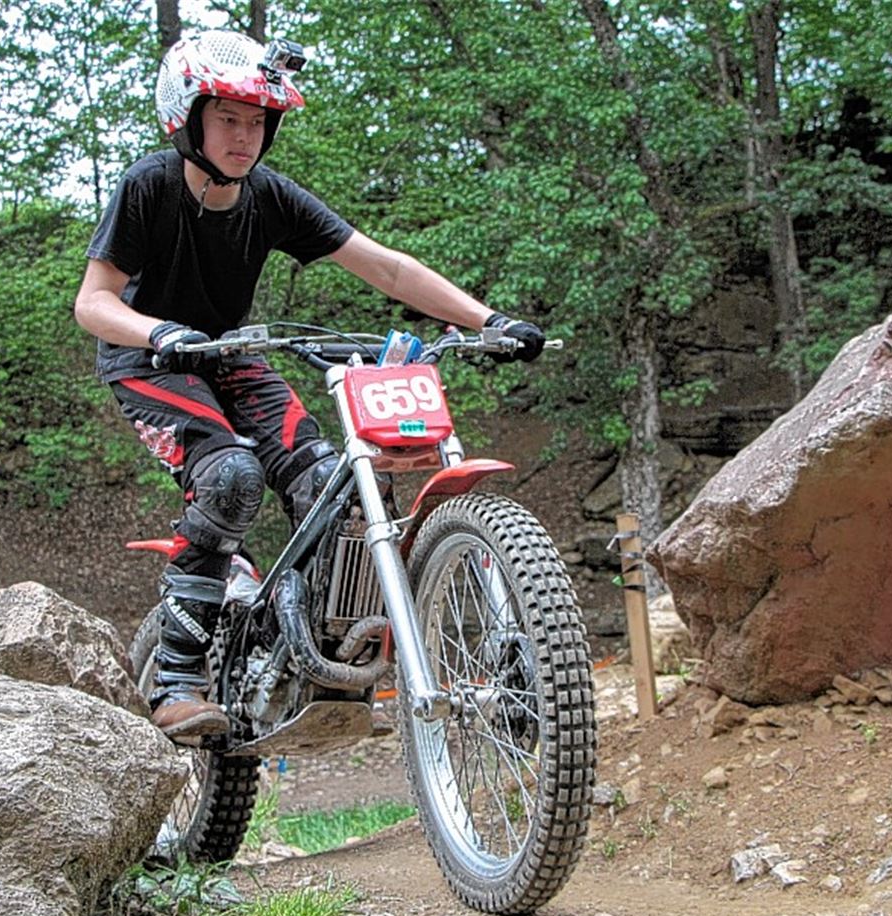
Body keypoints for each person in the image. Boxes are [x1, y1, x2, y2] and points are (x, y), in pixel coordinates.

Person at [73, 29, 546, 743]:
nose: (245, 135)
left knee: (335, 484)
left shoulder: (270, 196)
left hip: (232, 355)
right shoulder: (148, 186)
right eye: (228, 118)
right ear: (188, 116)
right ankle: (177, 675)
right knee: (230, 477)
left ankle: (326, 654)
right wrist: (158, 330)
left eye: (258, 120)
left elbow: (386, 268)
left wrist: (489, 319)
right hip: (150, 361)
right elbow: (94, 302)